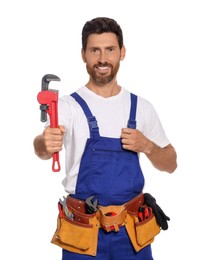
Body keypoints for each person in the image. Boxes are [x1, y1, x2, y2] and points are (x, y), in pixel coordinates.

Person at [33, 17, 177, 260]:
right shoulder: (68, 106)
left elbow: (171, 164)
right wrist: (44, 144)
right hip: (83, 231)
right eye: (94, 50)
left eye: (110, 49)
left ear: (122, 52)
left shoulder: (141, 107)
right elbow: (42, 147)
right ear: (83, 55)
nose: (102, 59)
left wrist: (148, 146)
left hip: (132, 232)